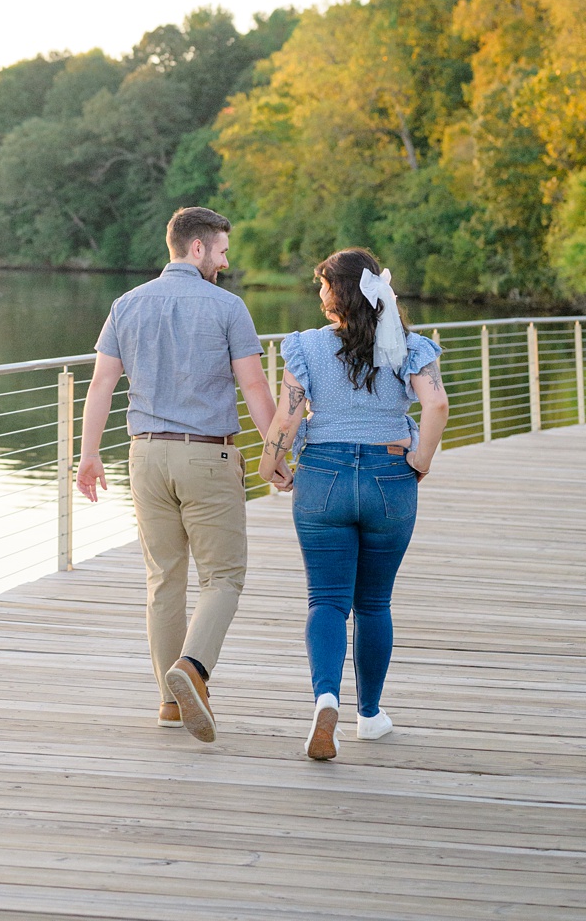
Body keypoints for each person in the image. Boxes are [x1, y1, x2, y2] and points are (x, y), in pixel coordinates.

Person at [76, 205, 276, 741]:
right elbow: (255, 388)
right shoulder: (228, 308)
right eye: (222, 250)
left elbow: (101, 385)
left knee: (164, 580)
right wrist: (278, 451)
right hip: (206, 456)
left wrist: (88, 454)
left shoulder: (126, 304)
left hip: (144, 456)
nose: (225, 261)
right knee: (224, 577)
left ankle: (169, 704)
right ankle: (192, 668)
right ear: (197, 248)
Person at [257, 249, 448, 760]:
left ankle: (325, 699)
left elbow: (288, 416)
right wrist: (420, 462)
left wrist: (269, 462)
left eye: (323, 285)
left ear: (337, 293)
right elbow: (437, 405)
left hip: (322, 477)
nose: (318, 294)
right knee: (374, 603)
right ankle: (369, 715)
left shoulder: (304, 347)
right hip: (391, 477)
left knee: (326, 600)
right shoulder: (410, 347)